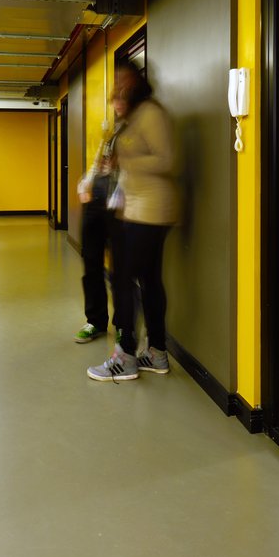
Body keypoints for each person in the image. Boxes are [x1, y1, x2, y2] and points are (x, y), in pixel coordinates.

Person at [87, 61, 178, 382]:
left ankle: (124, 356)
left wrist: (127, 159)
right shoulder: (130, 117)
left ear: (138, 81)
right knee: (150, 281)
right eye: (117, 82)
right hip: (137, 210)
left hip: (151, 212)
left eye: (125, 80)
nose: (120, 87)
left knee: (122, 278)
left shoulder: (151, 113)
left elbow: (167, 159)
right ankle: (156, 352)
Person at [73, 93, 127, 343]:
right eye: (115, 100)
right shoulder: (112, 131)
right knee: (91, 264)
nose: (116, 104)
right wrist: (85, 183)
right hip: (95, 202)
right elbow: (99, 163)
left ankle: (123, 324)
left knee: (120, 268)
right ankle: (95, 321)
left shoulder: (137, 131)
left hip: (119, 207)